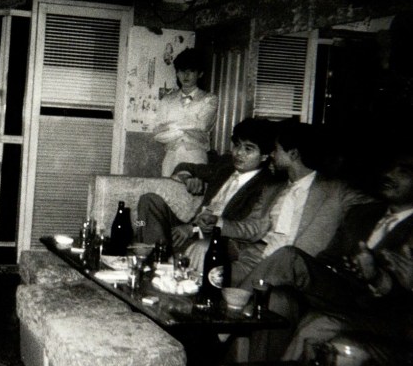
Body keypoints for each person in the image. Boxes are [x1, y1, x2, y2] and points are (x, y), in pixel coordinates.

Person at [244, 147, 413, 366]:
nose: (389, 175)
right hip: (338, 289)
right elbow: (328, 256)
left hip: (378, 311)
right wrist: (336, 268)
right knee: (281, 284)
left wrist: (376, 276)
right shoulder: (363, 213)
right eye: (390, 168)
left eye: (404, 171)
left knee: (312, 318)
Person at [210, 120, 372, 285]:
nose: (272, 154)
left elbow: (376, 205)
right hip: (256, 260)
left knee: (237, 291)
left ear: (293, 154)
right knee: (207, 276)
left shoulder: (335, 190)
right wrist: (217, 222)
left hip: (294, 271)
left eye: (276, 149)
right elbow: (254, 227)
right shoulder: (272, 189)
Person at [137, 117, 282, 258]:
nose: (238, 153)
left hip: (219, 240)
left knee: (194, 244)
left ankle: (159, 257)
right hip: (190, 229)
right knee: (149, 200)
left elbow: (247, 229)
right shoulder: (225, 167)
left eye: (248, 149)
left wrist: (193, 228)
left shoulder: (267, 185)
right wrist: (188, 178)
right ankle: (156, 256)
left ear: (264, 156)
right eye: (237, 145)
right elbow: (185, 166)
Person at [153, 47, 218, 176]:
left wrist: (170, 126)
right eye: (182, 71)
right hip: (171, 157)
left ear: (200, 74)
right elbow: (156, 133)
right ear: (177, 73)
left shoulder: (209, 99)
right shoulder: (167, 100)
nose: (186, 75)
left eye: (191, 71)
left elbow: (202, 125)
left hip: (196, 157)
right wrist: (188, 126)